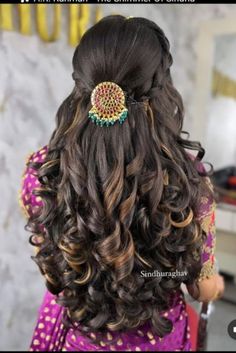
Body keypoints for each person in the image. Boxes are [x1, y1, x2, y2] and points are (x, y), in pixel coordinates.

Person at [19, 15, 224, 352]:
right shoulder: (190, 183)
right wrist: (216, 286)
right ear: (161, 91)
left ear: (81, 87)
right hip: (157, 341)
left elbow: (53, 262)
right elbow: (201, 288)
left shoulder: (44, 171)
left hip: (71, 337)